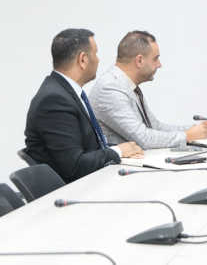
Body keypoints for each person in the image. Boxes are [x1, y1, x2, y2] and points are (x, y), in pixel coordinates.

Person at [24, 29, 143, 183]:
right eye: (96, 53)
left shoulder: (65, 92)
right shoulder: (54, 100)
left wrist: (122, 149)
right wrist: (118, 151)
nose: (98, 60)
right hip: (75, 190)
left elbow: (89, 146)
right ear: (83, 59)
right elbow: (75, 166)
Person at [89, 31, 207, 149]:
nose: (159, 65)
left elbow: (155, 127)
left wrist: (197, 129)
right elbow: (144, 138)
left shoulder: (127, 86)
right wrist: (187, 135)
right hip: (118, 165)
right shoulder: (111, 88)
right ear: (139, 60)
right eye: (155, 58)